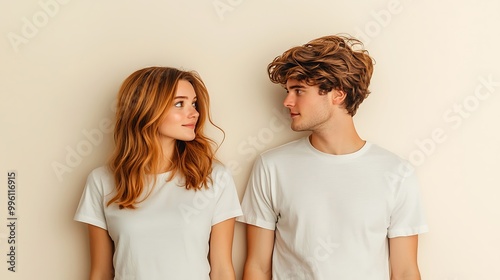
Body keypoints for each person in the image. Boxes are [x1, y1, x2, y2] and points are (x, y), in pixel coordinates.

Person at [237, 35, 429, 279]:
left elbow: (405, 271)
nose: (287, 101)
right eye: (288, 91)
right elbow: (257, 267)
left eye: (299, 90)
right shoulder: (271, 166)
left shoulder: (396, 172)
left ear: (337, 95)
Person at [74, 66, 242, 280]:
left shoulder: (215, 177)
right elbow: (100, 272)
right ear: (147, 109)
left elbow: (222, 270)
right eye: (179, 103)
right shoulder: (102, 181)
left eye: (194, 103)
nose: (194, 113)